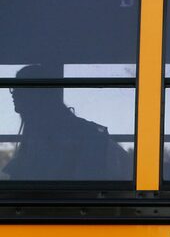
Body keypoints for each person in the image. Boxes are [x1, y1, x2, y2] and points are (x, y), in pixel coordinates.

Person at [3, 64, 131, 181]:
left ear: (38, 95)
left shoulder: (87, 137)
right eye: (14, 88)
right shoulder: (36, 140)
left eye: (20, 88)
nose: (13, 94)